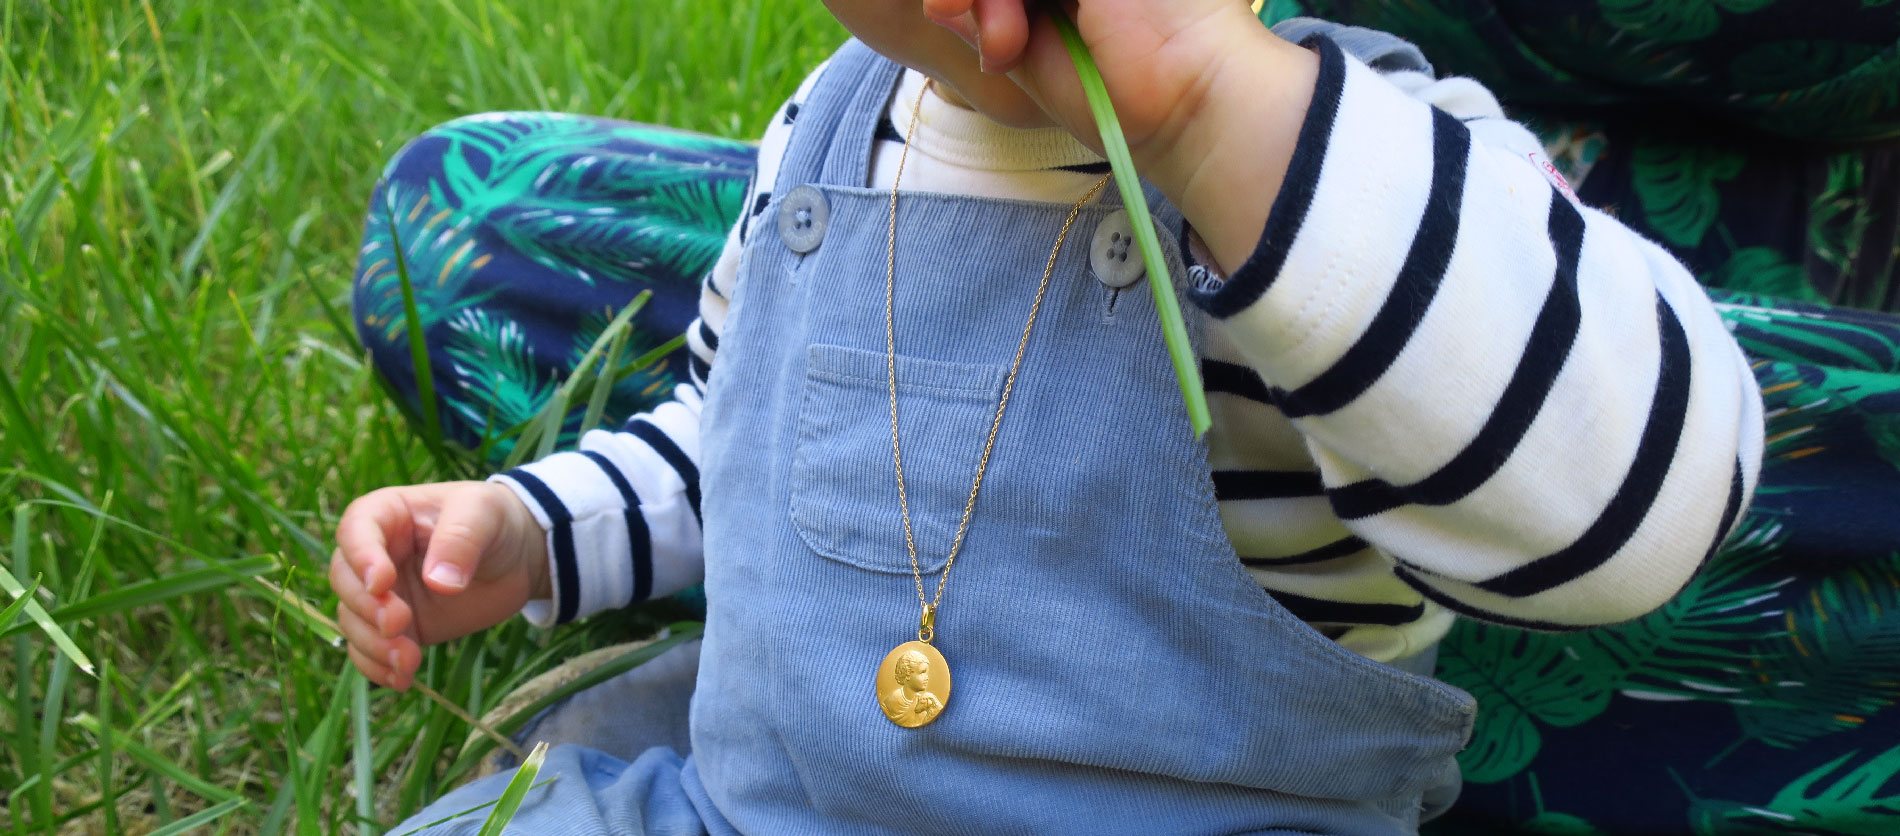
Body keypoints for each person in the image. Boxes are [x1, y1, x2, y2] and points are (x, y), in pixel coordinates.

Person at [332, 1, 1763, 833]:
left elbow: (1639, 510)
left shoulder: (1362, 174)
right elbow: (740, 437)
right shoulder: (823, 138)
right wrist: (533, 534)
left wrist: (1213, 113)